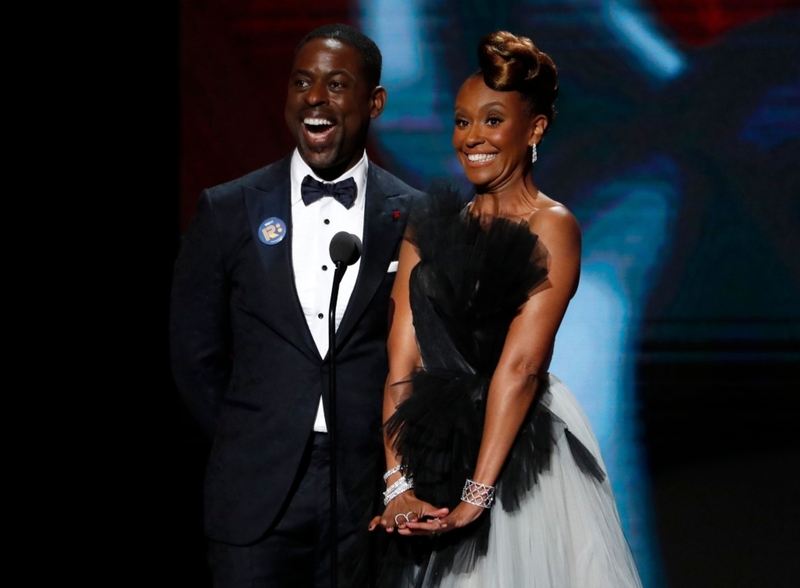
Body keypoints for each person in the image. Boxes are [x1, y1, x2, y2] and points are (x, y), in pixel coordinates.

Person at [367, 31, 643, 587]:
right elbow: (401, 365)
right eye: (462, 121)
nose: (472, 138)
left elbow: (520, 369)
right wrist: (398, 485)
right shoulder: (428, 222)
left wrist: (476, 498)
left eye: (492, 120)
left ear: (535, 128)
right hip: (427, 449)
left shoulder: (552, 225)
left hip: (516, 456)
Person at [170, 23, 423, 587]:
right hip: (255, 491)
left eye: (336, 85)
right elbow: (194, 355)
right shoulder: (228, 209)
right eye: (302, 82)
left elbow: (430, 359)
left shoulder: (418, 215)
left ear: (374, 102)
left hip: (370, 493)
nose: (315, 98)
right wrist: (255, 434)